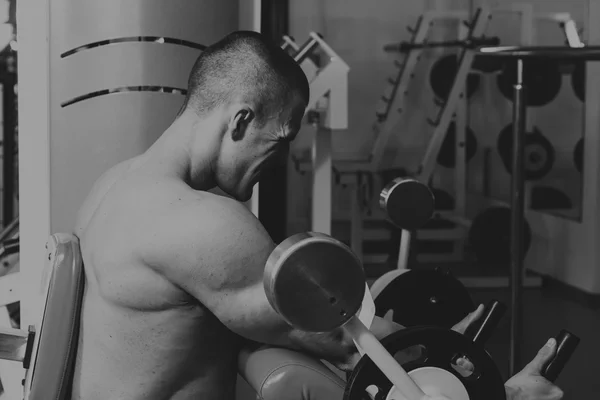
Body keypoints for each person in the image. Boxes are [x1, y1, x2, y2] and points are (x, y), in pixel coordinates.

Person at [71, 30, 564, 400]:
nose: (279, 161)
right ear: (240, 119)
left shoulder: (114, 184)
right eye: (280, 140)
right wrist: (495, 385)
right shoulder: (199, 223)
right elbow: (347, 342)